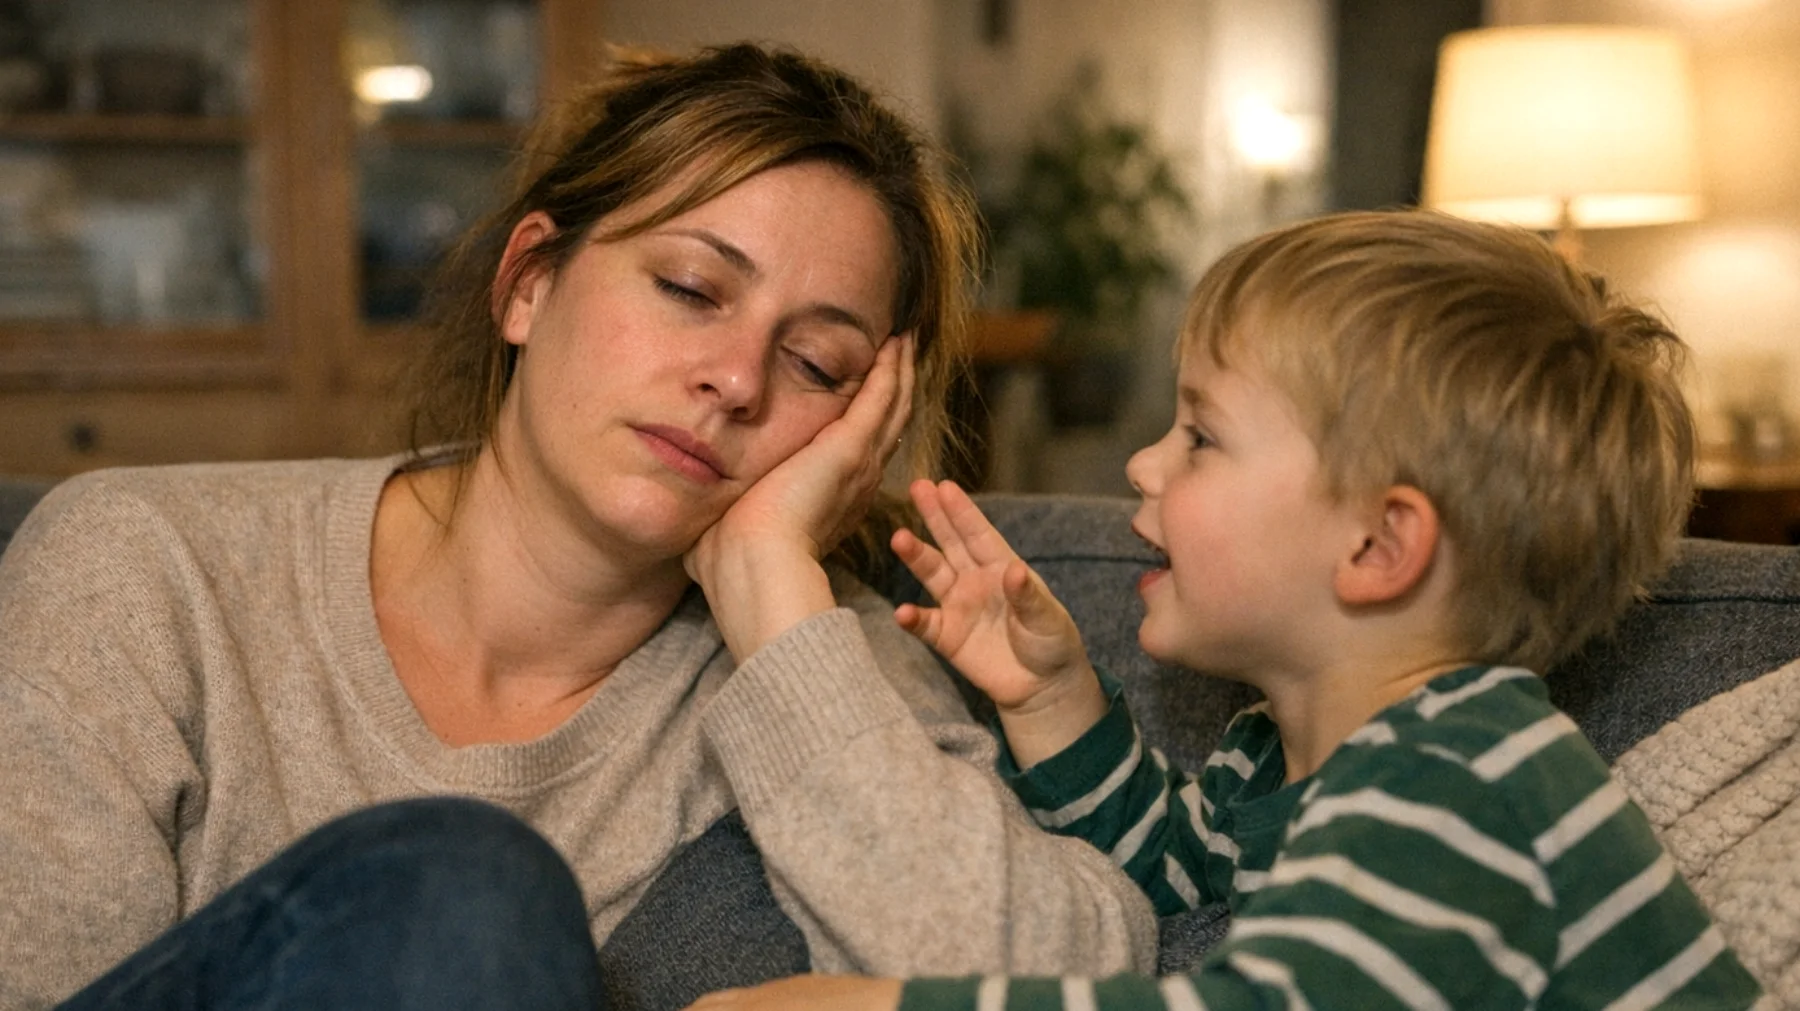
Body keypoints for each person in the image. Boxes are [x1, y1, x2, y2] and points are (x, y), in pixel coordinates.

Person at [0, 43, 1158, 1011]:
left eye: (815, 362)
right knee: (464, 892)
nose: (737, 379)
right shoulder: (142, 563)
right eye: (692, 290)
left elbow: (1077, 973)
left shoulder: (816, 658)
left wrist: (769, 586)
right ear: (528, 285)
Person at [688, 210, 1764, 1010]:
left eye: (1200, 437)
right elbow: (1174, 866)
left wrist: (888, 1004)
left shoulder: (1471, 778)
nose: (1142, 464)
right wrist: (1055, 698)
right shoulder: (1290, 759)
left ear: (1379, 546)